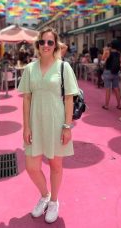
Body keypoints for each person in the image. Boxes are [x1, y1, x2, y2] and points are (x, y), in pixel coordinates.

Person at [18, 27, 79, 224]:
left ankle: (54, 201)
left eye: (50, 42)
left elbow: (69, 98)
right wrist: (26, 127)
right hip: (35, 122)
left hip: (56, 120)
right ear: (37, 45)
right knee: (31, 166)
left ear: (55, 45)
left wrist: (67, 126)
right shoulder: (29, 69)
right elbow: (26, 99)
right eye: (42, 42)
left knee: (56, 165)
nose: (45, 45)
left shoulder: (64, 67)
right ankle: (44, 195)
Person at [101, 40, 121, 109]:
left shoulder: (108, 52)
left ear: (111, 45)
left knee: (108, 89)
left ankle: (106, 105)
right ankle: (119, 105)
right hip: (115, 72)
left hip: (108, 72)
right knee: (116, 88)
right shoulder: (119, 53)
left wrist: (104, 51)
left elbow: (103, 59)